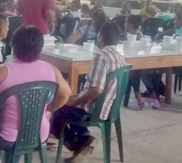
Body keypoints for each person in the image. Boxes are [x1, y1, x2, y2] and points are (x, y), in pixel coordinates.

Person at [0, 25, 71, 163]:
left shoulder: (1, 72)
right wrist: (49, 110)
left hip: (4, 138)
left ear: (13, 46)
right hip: (37, 135)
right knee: (18, 130)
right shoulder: (51, 70)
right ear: (40, 49)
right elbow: (66, 94)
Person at [51, 23, 127, 162]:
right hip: (110, 108)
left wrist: (74, 100)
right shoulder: (119, 55)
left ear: (101, 37)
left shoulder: (101, 55)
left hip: (94, 110)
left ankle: (80, 143)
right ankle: (85, 141)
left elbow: (96, 90)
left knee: (53, 112)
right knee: (68, 105)